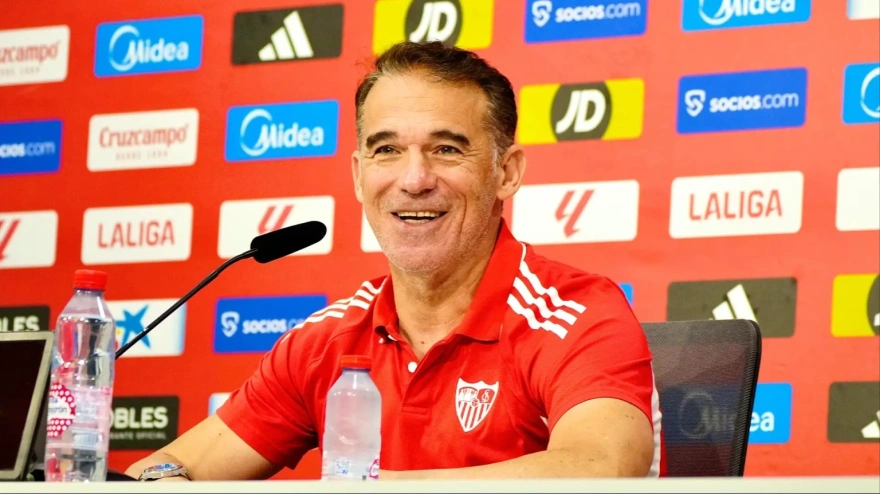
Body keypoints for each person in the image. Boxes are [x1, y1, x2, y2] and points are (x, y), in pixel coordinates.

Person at [125, 40, 665, 482]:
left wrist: (366, 488)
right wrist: (164, 478)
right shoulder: (325, 342)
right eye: (386, 150)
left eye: (446, 149)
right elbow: (173, 466)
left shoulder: (576, 314)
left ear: (506, 173)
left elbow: (601, 468)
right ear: (359, 175)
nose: (414, 179)